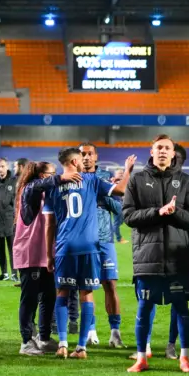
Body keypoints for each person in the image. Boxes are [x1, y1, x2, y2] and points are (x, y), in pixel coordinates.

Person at [21, 148, 133, 359]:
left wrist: (49, 254)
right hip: (89, 247)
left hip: (64, 247)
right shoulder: (91, 180)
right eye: (81, 158)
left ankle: (63, 344)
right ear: (74, 160)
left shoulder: (53, 186)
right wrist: (127, 170)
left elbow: (49, 225)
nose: (85, 161)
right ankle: (81, 348)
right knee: (86, 294)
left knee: (62, 293)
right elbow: (120, 190)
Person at [123, 134, 189, 373]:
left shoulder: (187, 181)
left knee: (181, 309)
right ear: (152, 151)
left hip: (178, 259)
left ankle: (184, 358)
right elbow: (128, 216)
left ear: (174, 153)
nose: (163, 152)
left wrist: (173, 211)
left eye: (167, 148)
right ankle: (141, 358)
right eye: (159, 148)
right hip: (148, 257)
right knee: (144, 308)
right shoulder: (136, 180)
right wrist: (158, 212)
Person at [71, 141, 124, 346]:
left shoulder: (104, 179)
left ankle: (115, 332)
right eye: (82, 154)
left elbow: (118, 209)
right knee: (86, 287)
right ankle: (91, 330)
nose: (85, 157)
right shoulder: (72, 179)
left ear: (96, 157)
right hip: (83, 240)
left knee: (110, 284)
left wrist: (102, 194)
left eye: (89, 154)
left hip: (104, 239)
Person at [159, 143, 189, 360]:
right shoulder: (153, 179)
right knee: (147, 299)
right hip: (154, 246)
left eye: (176, 157)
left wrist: (175, 211)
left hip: (181, 247)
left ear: (182, 160)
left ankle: (172, 344)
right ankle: (144, 347)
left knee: (179, 299)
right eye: (170, 155)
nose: (172, 159)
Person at [13, 161, 56, 355]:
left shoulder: (47, 194)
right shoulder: (29, 191)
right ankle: (26, 341)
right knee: (29, 299)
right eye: (50, 174)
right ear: (40, 176)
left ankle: (44, 338)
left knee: (49, 296)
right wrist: (63, 178)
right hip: (30, 252)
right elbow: (35, 186)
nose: (54, 177)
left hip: (46, 254)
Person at [111, 168, 128, 244]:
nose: (121, 174)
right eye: (119, 173)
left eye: (122, 173)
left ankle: (111, 229)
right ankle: (119, 238)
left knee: (121, 221)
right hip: (116, 204)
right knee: (117, 222)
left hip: (123, 204)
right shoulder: (112, 182)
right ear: (115, 175)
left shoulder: (125, 183)